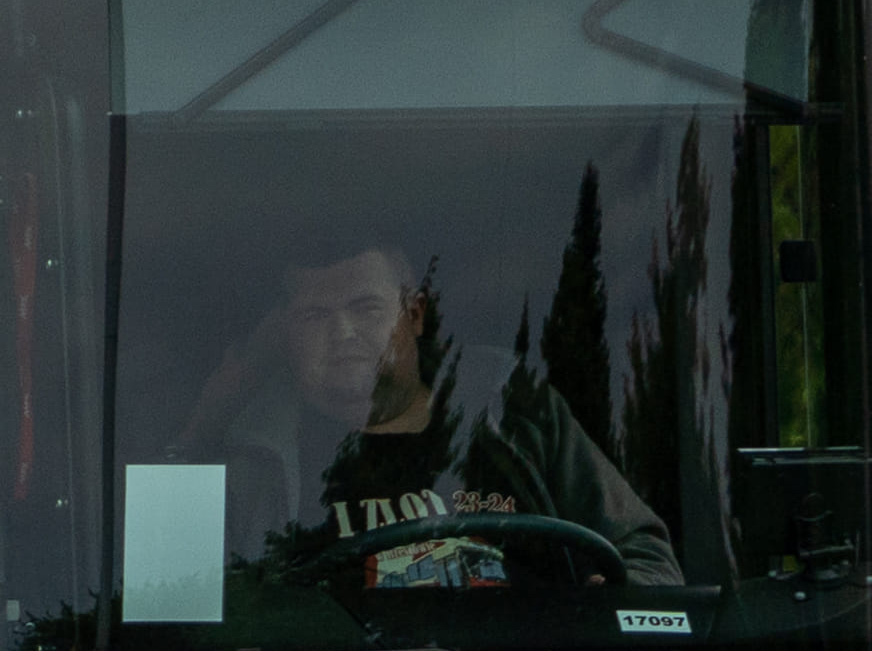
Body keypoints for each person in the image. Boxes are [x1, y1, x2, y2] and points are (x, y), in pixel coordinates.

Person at [179, 234, 680, 595]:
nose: (344, 333)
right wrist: (205, 423)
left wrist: (613, 601)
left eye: (366, 308)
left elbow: (644, 553)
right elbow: (171, 604)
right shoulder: (246, 458)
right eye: (315, 316)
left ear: (414, 313)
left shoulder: (516, 412)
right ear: (285, 335)